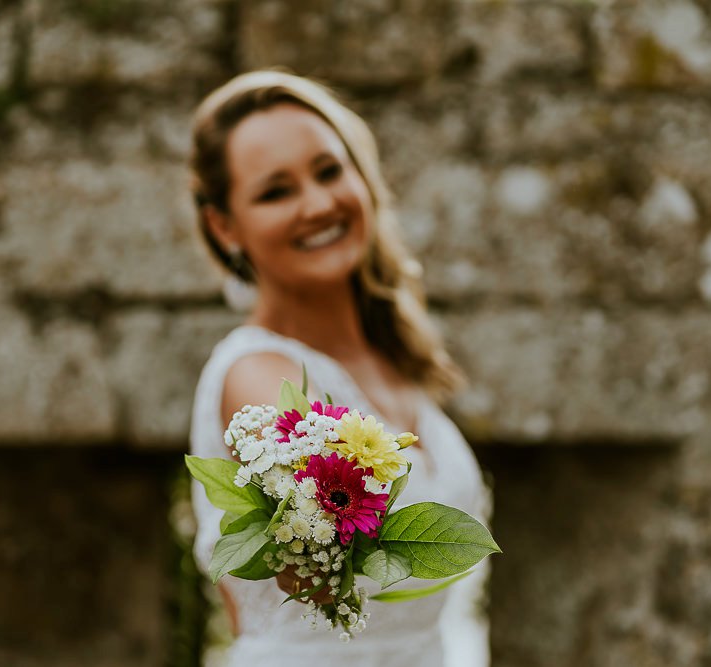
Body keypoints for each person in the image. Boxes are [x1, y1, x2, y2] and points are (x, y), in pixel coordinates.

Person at [187, 69, 492, 667]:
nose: (319, 204)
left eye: (329, 171)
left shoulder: (392, 358)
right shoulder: (259, 380)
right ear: (226, 226)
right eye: (277, 192)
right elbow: (313, 577)